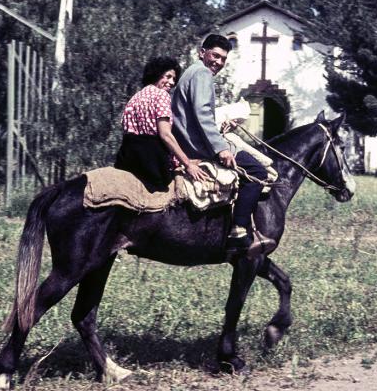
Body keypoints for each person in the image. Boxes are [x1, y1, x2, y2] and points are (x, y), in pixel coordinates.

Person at [171, 34, 276, 257]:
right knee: (257, 171)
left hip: (192, 139)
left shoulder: (192, 72)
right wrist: (221, 147)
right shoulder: (201, 74)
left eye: (223, 59)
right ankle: (239, 231)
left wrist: (221, 125)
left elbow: (199, 114)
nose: (218, 62)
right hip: (197, 146)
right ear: (202, 52)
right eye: (214, 55)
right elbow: (202, 114)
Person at [115, 56, 207, 191]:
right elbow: (165, 135)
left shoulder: (134, 98)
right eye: (167, 76)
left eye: (174, 79)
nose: (171, 82)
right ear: (156, 74)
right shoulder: (162, 96)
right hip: (151, 162)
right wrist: (187, 164)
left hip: (127, 158)